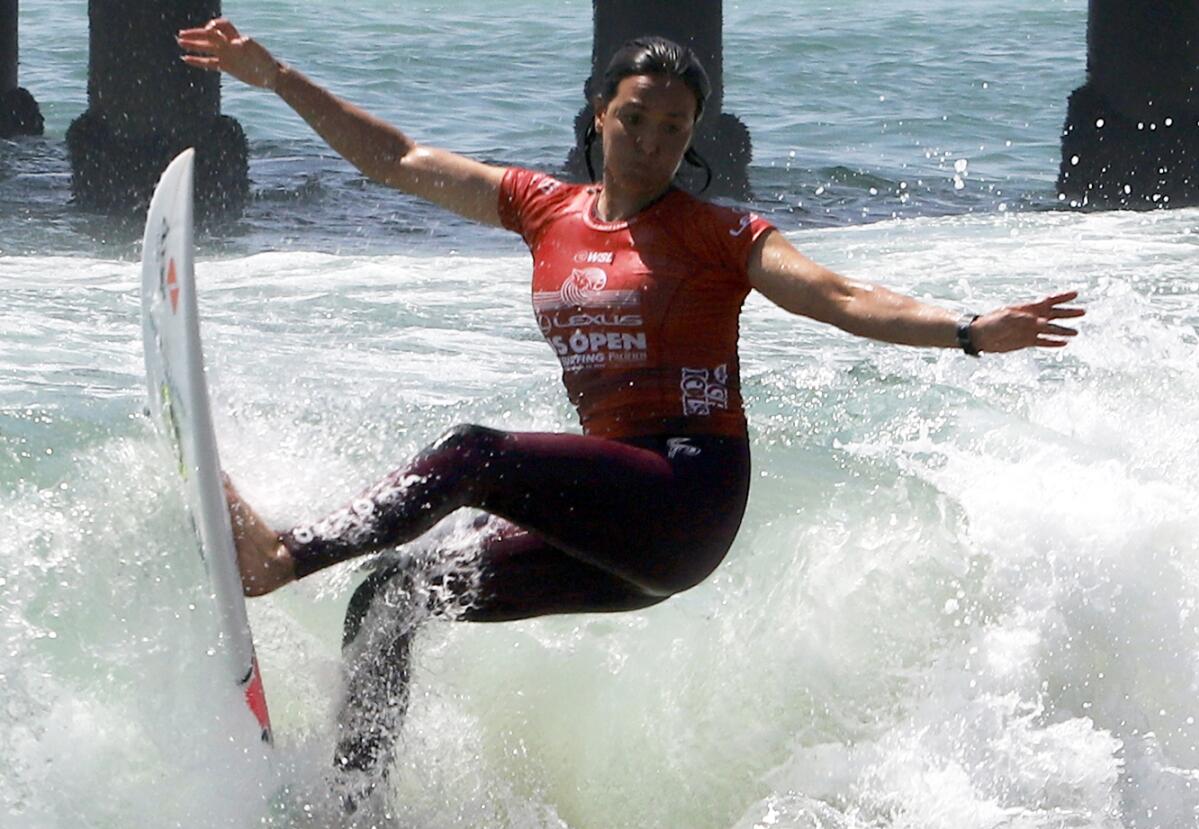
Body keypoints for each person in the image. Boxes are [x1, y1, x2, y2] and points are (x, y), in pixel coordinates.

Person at [178, 17, 1084, 805]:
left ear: (693, 137)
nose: (651, 141)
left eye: (674, 127)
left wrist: (968, 330)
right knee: (393, 595)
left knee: (475, 452)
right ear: (599, 112)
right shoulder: (546, 210)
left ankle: (282, 555)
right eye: (636, 119)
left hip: (685, 496)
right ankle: (356, 803)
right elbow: (401, 161)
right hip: (616, 533)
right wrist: (275, 77)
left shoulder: (721, 235)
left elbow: (838, 295)